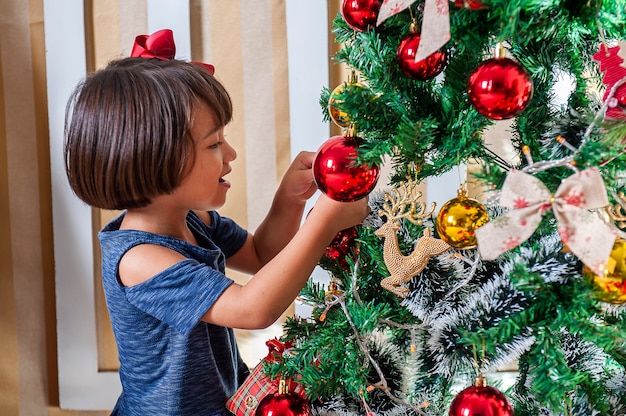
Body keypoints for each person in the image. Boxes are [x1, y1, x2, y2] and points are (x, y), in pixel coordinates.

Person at [63, 32, 370, 416]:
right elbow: (253, 310)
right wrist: (324, 221)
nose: (231, 154)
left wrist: (290, 201)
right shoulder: (139, 260)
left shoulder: (195, 221)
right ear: (156, 158)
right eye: (213, 144)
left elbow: (262, 256)